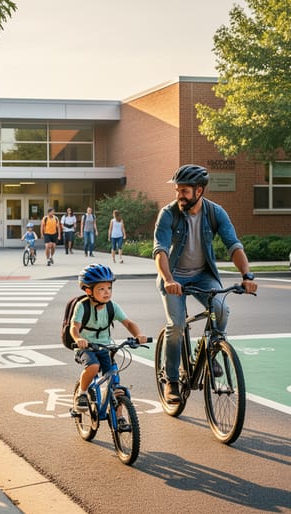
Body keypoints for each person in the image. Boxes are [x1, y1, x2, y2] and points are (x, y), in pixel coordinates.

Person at [153, 164, 257, 404]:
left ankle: (213, 348)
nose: (179, 195)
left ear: (199, 191)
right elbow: (160, 250)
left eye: (184, 191)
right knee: (177, 327)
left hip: (203, 274)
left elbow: (234, 245)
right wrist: (169, 280)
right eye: (177, 190)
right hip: (174, 276)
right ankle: (171, 380)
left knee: (221, 308)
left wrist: (247, 276)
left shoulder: (215, 213)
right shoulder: (168, 214)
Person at [69, 264, 146, 416]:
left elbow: (128, 323)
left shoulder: (112, 307)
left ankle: (120, 418)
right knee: (93, 367)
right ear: (88, 291)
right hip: (85, 348)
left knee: (116, 384)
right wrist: (78, 338)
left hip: (106, 347)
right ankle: (82, 394)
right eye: (101, 289)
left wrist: (138, 335)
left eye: (109, 288)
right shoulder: (82, 306)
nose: (107, 292)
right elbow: (74, 327)